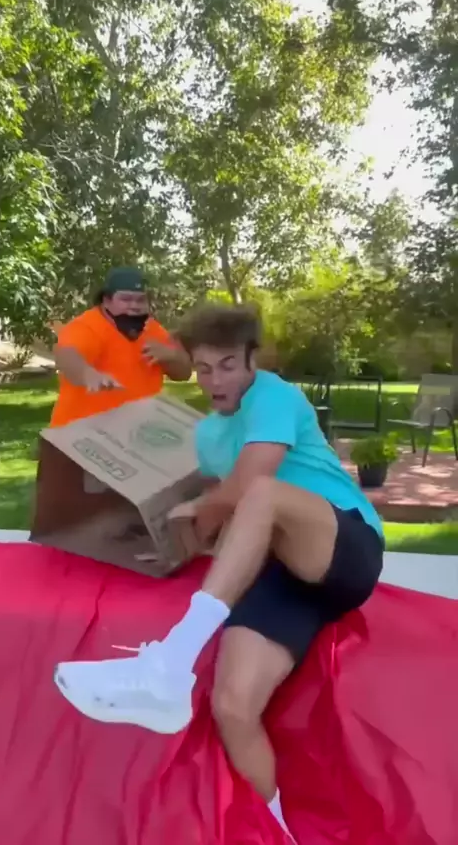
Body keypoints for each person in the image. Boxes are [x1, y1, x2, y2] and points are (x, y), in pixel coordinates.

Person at [54, 303, 384, 841]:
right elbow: (222, 518)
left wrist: (201, 511)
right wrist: (174, 545)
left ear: (253, 360)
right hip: (286, 576)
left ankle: (170, 662)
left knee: (262, 492)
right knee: (233, 706)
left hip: (345, 546)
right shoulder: (209, 435)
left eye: (228, 365)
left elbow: (248, 485)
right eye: (204, 368)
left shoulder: (274, 395)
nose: (215, 381)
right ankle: (277, 832)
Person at [49, 265, 191, 427]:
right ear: (106, 301)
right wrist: (88, 374)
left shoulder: (152, 329)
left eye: (140, 300)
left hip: (135, 432)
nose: (134, 305)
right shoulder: (86, 326)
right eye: (126, 299)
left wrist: (172, 356)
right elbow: (66, 356)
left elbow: (184, 374)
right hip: (80, 433)